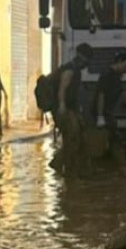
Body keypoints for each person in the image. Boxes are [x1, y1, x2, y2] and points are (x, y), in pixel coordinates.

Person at [94, 51, 126, 172]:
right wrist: (100, 116)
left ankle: (118, 168)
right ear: (119, 62)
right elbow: (101, 95)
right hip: (102, 113)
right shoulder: (107, 75)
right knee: (112, 141)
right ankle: (123, 169)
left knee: (112, 140)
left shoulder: (116, 76)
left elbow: (121, 93)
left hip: (107, 112)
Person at [51, 43, 93, 177]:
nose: (88, 63)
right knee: (72, 139)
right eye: (88, 59)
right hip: (67, 110)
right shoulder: (70, 70)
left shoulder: (76, 70)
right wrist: (62, 106)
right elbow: (62, 89)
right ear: (82, 57)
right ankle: (63, 167)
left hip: (72, 109)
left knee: (76, 139)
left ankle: (68, 168)